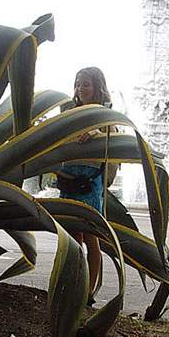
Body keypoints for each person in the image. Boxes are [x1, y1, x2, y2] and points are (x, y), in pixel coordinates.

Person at [57, 66, 111, 305]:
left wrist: (96, 132)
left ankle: (88, 291)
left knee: (91, 235)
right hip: (69, 176)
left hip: (89, 180)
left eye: (86, 84)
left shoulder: (106, 114)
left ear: (97, 87)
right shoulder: (68, 111)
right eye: (78, 84)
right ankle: (72, 285)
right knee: (72, 235)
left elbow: (113, 136)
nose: (81, 89)